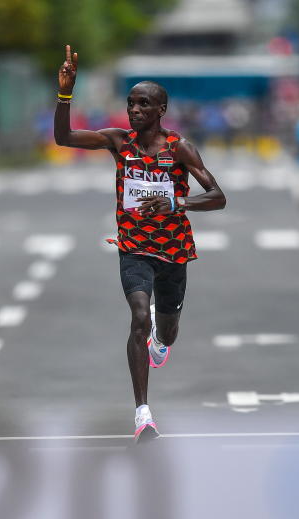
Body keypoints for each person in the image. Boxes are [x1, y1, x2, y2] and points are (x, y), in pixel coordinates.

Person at [53, 45, 226, 443]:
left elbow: (218, 196)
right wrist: (65, 94)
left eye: (143, 105)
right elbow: (63, 137)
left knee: (166, 330)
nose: (134, 111)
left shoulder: (179, 148)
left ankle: (161, 341)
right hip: (133, 247)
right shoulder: (118, 142)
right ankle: (142, 414)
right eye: (131, 104)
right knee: (137, 317)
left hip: (174, 252)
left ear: (161, 110)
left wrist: (175, 202)